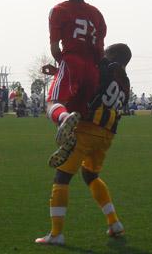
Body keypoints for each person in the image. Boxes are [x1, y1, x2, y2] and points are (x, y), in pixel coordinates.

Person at [36, 43, 131, 246]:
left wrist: (62, 69)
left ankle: (56, 233)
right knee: (90, 175)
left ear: (111, 55)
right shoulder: (125, 81)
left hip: (87, 127)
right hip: (107, 134)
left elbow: (87, 79)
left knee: (62, 177)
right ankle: (114, 223)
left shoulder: (104, 64)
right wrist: (56, 72)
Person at [44, 0, 107, 152]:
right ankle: (70, 147)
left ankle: (63, 119)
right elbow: (100, 51)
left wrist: (61, 67)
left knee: (53, 104)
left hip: (72, 62)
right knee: (77, 114)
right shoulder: (97, 14)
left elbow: (55, 49)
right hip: (92, 70)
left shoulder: (59, 10)